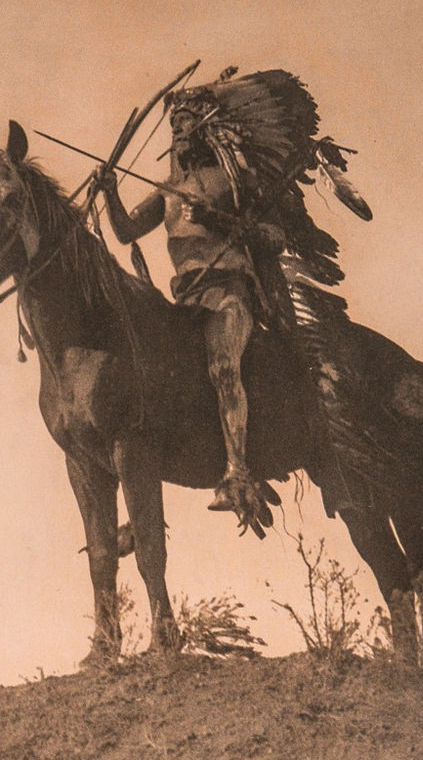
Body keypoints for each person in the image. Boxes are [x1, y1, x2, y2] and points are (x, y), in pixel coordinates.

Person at [95, 84, 284, 538]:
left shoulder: (234, 179)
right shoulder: (167, 191)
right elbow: (124, 232)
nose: (178, 135)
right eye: (174, 126)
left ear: (208, 127)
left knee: (222, 365)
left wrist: (219, 220)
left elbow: (273, 236)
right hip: (185, 303)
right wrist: (110, 193)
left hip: (228, 295)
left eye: (186, 124)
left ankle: (238, 470)